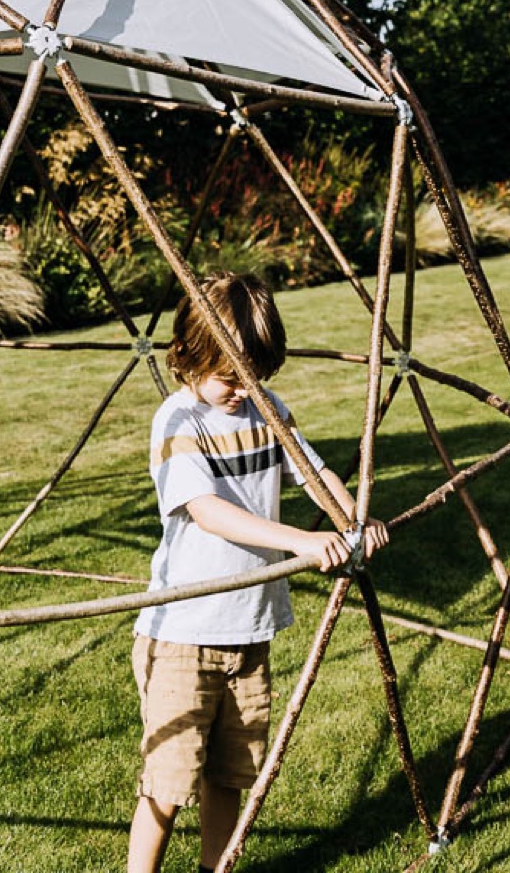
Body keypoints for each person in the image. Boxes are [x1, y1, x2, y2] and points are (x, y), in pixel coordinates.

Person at [128, 271, 389, 873]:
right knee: (169, 783)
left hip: (250, 629)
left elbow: (315, 473)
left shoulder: (268, 410)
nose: (245, 390)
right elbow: (208, 512)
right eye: (231, 377)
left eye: (257, 376)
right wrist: (302, 540)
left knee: (229, 776)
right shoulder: (178, 420)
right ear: (190, 354)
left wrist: (354, 518)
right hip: (183, 636)